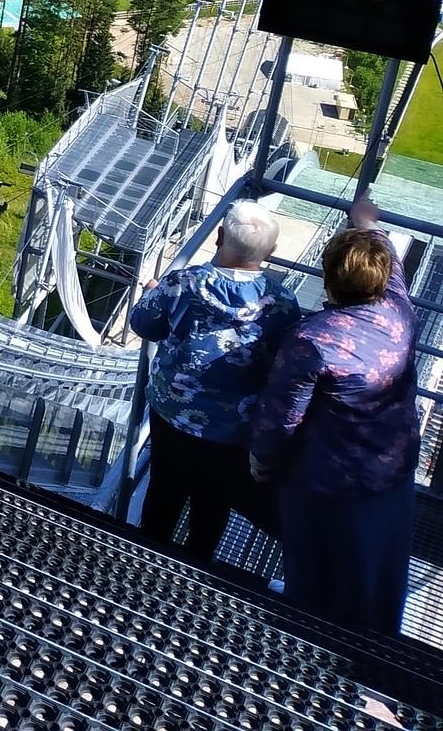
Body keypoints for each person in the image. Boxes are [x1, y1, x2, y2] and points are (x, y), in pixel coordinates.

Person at [250, 197, 419, 634]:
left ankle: (307, 646)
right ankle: (375, 660)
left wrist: (262, 462)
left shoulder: (313, 339)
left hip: (327, 482)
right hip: (391, 469)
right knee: (377, 580)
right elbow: (389, 259)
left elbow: (281, 417)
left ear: (330, 280)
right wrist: (367, 223)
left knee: (315, 581)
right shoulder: (398, 306)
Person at [128, 200, 299, 561]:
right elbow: (284, 360)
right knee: (215, 497)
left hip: (174, 408)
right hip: (234, 423)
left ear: (219, 236)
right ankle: (199, 563)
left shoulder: (184, 282)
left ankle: (146, 554)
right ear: (270, 252)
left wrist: (153, 293)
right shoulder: (282, 302)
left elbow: (144, 324)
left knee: (165, 484)